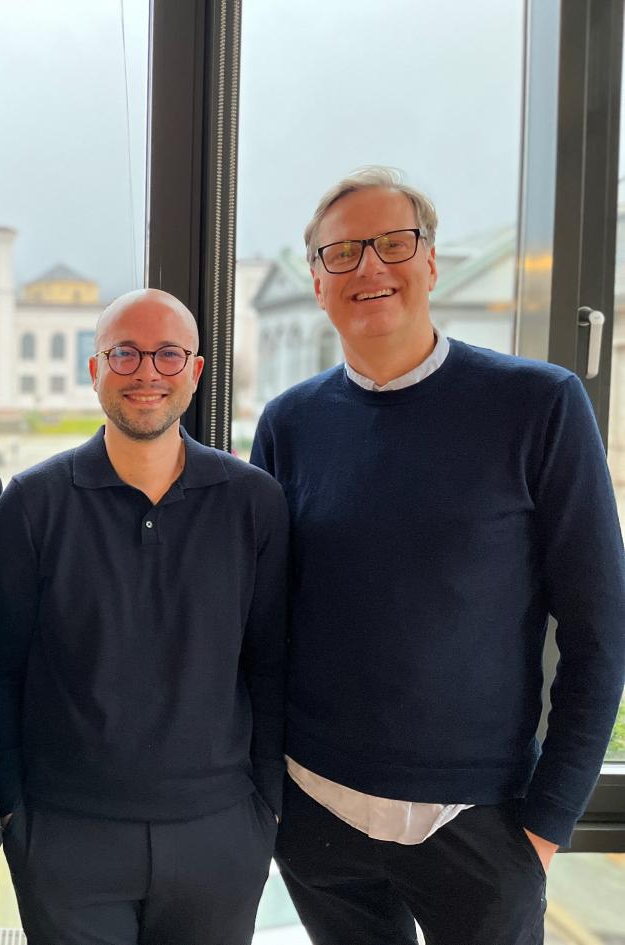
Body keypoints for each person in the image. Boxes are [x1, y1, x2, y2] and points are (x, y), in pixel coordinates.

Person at [250, 166, 625, 945]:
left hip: (480, 823)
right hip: (317, 813)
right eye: (342, 253)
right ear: (317, 282)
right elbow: (268, 622)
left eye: (393, 243)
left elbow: (601, 630)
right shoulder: (289, 424)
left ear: (431, 262)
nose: (370, 268)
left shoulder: (539, 405)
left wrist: (545, 826)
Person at [0, 288, 288, 944]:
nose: (147, 371)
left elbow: (270, 666)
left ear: (196, 371)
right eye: (124, 353)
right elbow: (1, 670)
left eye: (168, 354)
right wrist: (16, 816)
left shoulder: (253, 503)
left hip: (220, 834)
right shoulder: (33, 504)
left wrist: (264, 812)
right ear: (94, 369)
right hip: (67, 837)